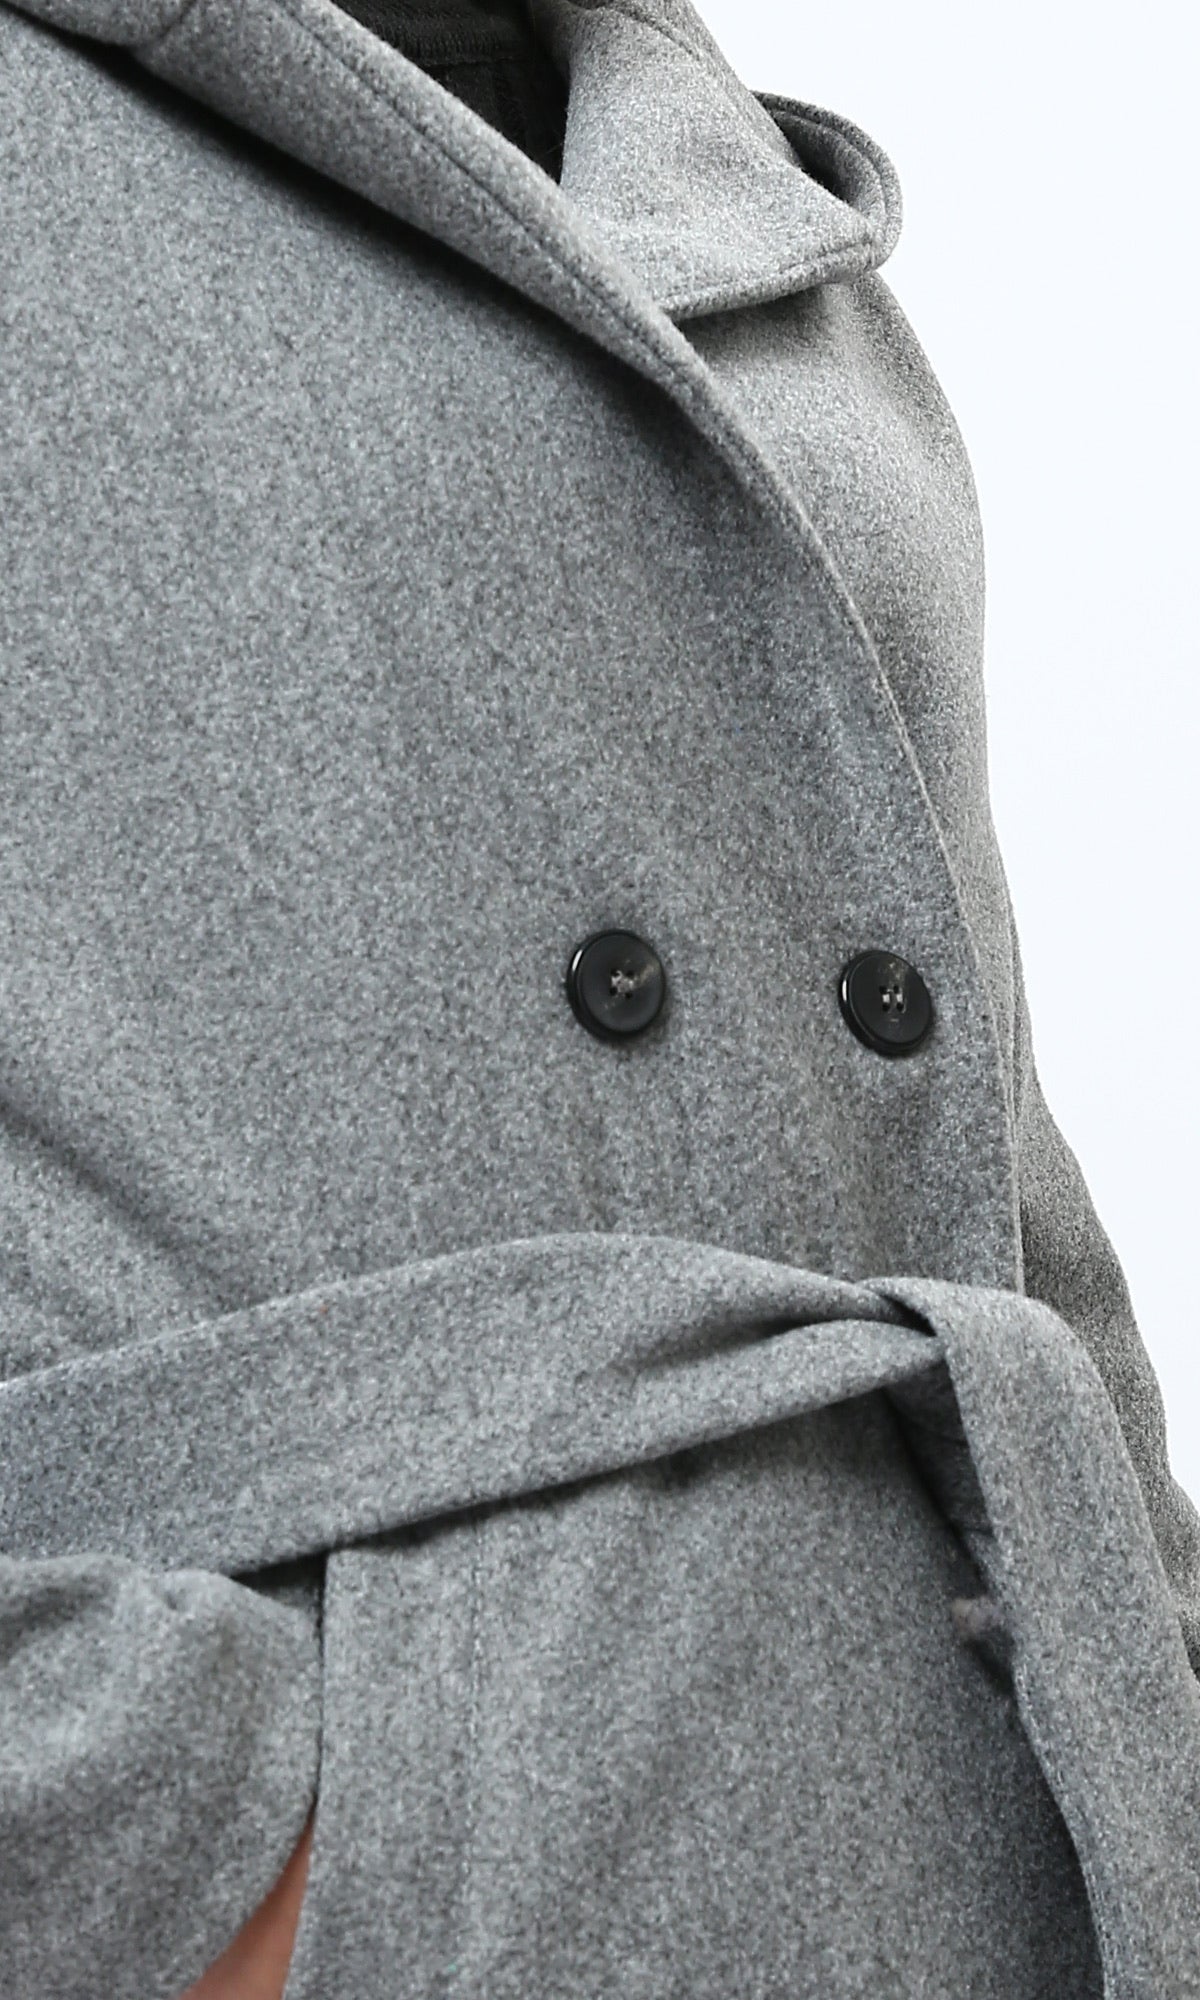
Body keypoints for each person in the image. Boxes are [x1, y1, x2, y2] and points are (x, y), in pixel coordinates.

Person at [3, 0, 1198, 1995]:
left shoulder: (710, 179)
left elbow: (966, 1145)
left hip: (1003, 1857)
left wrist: (1156, 1691)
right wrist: (222, 1853)